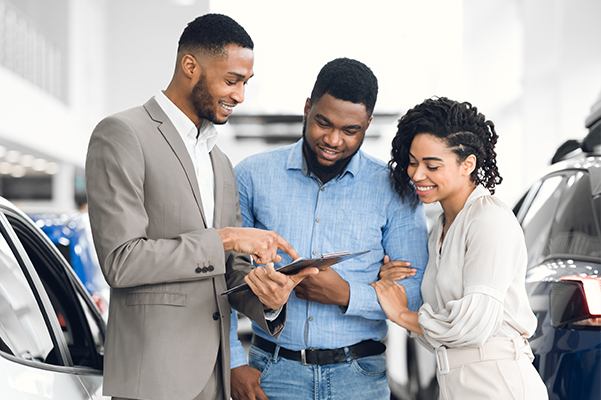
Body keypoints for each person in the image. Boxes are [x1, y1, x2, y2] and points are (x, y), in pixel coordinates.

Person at [85, 14, 317, 400]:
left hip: (215, 379)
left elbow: (225, 273)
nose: (240, 95)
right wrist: (226, 238)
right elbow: (121, 261)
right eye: (231, 80)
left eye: (246, 82)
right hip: (154, 381)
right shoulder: (122, 134)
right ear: (190, 66)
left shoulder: (219, 160)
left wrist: (268, 298)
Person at [228, 58, 429, 400]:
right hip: (273, 373)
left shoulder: (396, 189)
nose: (334, 140)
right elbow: (226, 276)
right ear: (307, 108)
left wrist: (346, 294)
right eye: (323, 123)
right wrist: (233, 361)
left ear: (367, 124)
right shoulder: (251, 176)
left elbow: (415, 292)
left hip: (359, 376)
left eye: (351, 131)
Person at [372, 97, 549, 399]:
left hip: (498, 384)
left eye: (432, 165)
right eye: (413, 162)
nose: (416, 174)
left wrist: (401, 314)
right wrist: (392, 282)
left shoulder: (488, 218)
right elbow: (440, 333)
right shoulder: (441, 227)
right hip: (456, 384)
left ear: (468, 164)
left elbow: (472, 326)